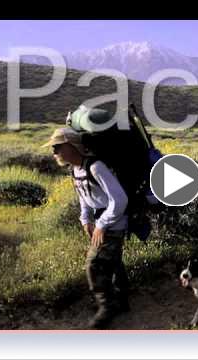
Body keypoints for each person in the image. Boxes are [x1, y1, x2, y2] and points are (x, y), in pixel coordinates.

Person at [42, 127, 130, 329]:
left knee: (95, 264)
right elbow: (85, 197)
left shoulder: (96, 167)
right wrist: (85, 219)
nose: (54, 152)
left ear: (72, 146)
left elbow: (119, 199)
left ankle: (107, 307)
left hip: (113, 223)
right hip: (105, 222)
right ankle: (122, 300)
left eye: (57, 147)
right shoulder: (76, 169)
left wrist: (101, 224)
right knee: (113, 260)